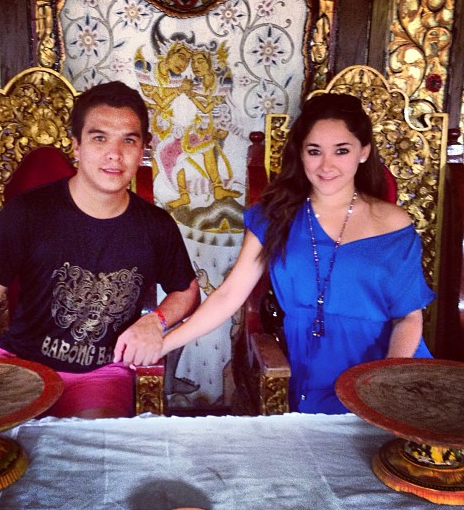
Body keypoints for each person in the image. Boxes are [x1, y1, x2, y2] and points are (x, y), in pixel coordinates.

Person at [116, 92, 434, 414]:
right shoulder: (274, 216)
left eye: (342, 150)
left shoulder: (393, 222)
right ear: (301, 153)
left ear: (363, 152)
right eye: (314, 151)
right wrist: (163, 343)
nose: (326, 165)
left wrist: (384, 387)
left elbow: (408, 317)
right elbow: (228, 296)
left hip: (384, 370)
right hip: (311, 373)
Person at [0, 81, 200, 419]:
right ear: (77, 146)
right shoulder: (27, 213)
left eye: (128, 140)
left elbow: (187, 291)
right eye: (99, 138)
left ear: (144, 148)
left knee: (89, 444)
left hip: (101, 373)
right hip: (20, 366)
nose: (115, 154)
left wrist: (155, 321)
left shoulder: (155, 225)